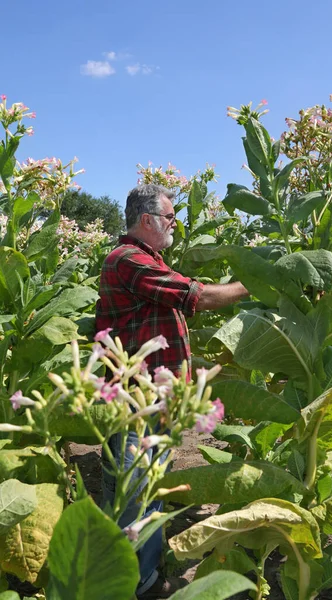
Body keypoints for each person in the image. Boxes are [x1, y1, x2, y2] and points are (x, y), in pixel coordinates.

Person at [95, 183, 248, 598]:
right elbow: (198, 296)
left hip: (155, 400)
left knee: (148, 493)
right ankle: (131, 584)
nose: (175, 224)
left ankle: (142, 574)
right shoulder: (127, 259)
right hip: (136, 403)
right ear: (147, 221)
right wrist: (255, 281)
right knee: (135, 498)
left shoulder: (148, 260)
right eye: (169, 217)